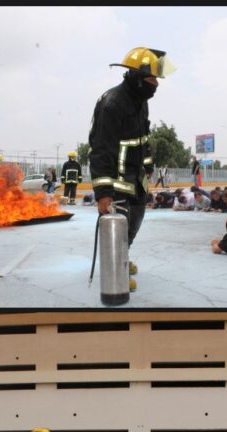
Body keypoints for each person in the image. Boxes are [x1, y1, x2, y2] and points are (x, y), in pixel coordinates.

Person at [89, 47, 170, 292]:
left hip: (136, 178)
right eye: (152, 79)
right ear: (137, 79)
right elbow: (101, 148)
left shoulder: (140, 102)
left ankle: (122, 256)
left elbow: (143, 138)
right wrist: (103, 192)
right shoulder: (112, 103)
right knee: (119, 223)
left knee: (135, 222)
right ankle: (116, 270)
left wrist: (148, 168)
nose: (156, 84)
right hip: (116, 179)